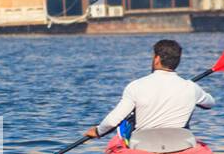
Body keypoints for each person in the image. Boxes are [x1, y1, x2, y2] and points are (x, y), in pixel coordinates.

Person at [86, 38, 214, 142]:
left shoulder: (136, 86)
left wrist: (98, 131)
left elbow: (113, 121)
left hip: (143, 147)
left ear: (157, 59)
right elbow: (210, 103)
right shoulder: (191, 87)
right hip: (179, 145)